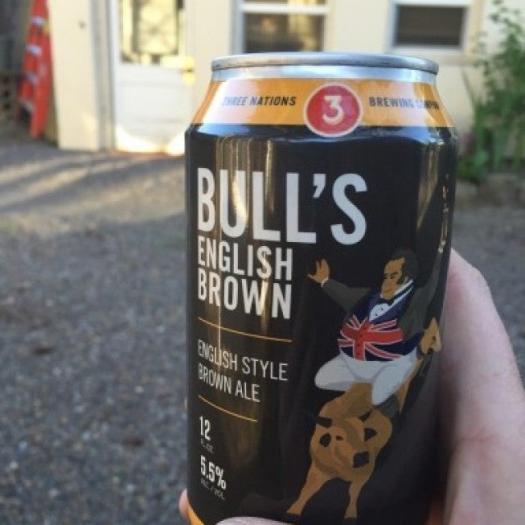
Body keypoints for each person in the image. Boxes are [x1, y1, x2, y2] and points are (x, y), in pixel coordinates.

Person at [179, 250, 525, 524]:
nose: (387, 280)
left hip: (394, 360)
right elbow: (350, 296)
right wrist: (326, 281)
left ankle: (406, 371)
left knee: (381, 392)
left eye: (393, 275)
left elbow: (436, 281)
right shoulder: (373, 299)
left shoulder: (415, 300)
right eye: (386, 274)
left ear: (406, 277)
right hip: (358, 361)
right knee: (322, 378)